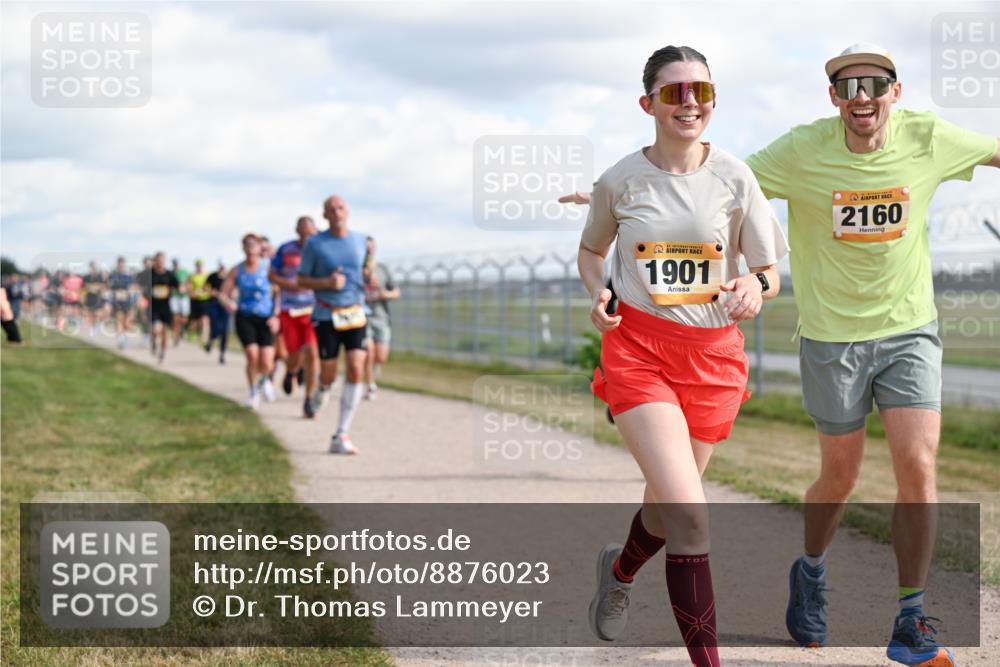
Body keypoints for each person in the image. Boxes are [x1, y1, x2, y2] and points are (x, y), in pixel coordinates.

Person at [743, 44, 999, 667]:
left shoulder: (927, 136)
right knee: (841, 477)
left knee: (918, 464)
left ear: (896, 91)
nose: (863, 97)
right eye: (848, 87)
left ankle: (911, 617)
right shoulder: (800, 150)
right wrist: (626, 194)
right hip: (832, 337)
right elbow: (722, 181)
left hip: (910, 329)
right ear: (833, 98)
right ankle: (811, 570)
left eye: (875, 85)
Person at [576, 46, 786, 667]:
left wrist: (755, 285)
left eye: (701, 89)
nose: (689, 101)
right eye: (674, 92)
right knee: (693, 517)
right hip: (638, 351)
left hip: (713, 357)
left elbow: (769, 270)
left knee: (668, 506)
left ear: (713, 99)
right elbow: (591, 254)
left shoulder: (735, 176)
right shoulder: (619, 181)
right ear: (649, 104)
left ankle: (618, 571)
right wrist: (599, 293)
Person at [297, 195, 370, 455]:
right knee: (328, 372)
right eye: (331, 210)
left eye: (340, 208)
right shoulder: (315, 244)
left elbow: (364, 272)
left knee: (355, 366)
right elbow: (302, 280)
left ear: (347, 211)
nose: (337, 213)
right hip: (327, 314)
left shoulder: (361, 241)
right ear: (325, 215)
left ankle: (341, 433)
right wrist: (326, 283)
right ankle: (323, 389)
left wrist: (368, 278)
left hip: (355, 312)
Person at [220, 234, 279, 409]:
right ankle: (253, 392)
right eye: (247, 244)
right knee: (252, 355)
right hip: (245, 316)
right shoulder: (237, 270)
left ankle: (265, 379)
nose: (250, 247)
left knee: (267, 361)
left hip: (266, 317)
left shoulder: (268, 267)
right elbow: (223, 294)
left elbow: (278, 293)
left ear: (260, 247)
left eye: (254, 244)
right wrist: (229, 303)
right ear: (243, 248)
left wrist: (275, 315)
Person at [270, 216, 321, 417]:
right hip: (289, 309)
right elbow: (271, 275)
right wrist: (288, 284)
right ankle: (291, 370)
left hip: (313, 309)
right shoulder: (286, 249)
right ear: (297, 231)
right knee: (293, 356)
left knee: (312, 352)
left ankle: (309, 400)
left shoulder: (320, 251)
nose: (307, 236)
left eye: (311, 232)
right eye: (303, 232)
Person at [361, 236, 399, 400]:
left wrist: (386, 294)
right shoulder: (356, 269)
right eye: (366, 247)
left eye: (371, 247)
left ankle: (373, 369)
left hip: (381, 317)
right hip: (362, 317)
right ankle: (370, 385)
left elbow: (397, 291)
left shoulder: (383, 269)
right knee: (368, 351)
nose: (369, 250)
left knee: (381, 356)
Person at [148, 252, 178, 364]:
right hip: (154, 306)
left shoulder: (170, 274)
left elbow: (178, 286)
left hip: (166, 306)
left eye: (162, 260)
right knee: (156, 329)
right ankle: (154, 341)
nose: (160, 262)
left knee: (165, 331)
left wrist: (180, 289)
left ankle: (162, 353)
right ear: (155, 261)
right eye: (158, 260)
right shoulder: (150, 273)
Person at [205, 260, 230, 364]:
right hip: (214, 303)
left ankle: (222, 354)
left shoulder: (229, 277)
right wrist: (211, 292)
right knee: (214, 327)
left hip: (225, 305)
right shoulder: (212, 276)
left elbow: (235, 289)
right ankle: (211, 340)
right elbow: (205, 287)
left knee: (224, 331)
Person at [108, 257, 136, 349]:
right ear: (117, 266)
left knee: (126, 322)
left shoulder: (129, 277)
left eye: (123, 265)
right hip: (117, 302)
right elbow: (109, 288)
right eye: (120, 265)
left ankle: (123, 337)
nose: (121, 267)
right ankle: (121, 340)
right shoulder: (113, 276)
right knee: (119, 320)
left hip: (127, 302)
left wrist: (129, 292)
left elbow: (132, 288)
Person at [188, 259, 213, 349]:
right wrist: (192, 293)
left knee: (205, 320)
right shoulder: (192, 276)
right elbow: (190, 288)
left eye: (201, 265)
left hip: (205, 300)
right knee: (196, 321)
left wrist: (205, 291)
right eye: (198, 265)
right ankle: (192, 333)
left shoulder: (207, 276)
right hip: (195, 301)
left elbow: (209, 288)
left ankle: (204, 339)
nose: (199, 267)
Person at [82, 261, 107, 338]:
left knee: (98, 313)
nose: (93, 268)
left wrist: (94, 287)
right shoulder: (87, 277)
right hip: (89, 298)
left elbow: (102, 286)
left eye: (94, 267)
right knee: (91, 314)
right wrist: (93, 287)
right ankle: (93, 328)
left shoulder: (99, 276)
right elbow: (85, 287)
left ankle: (97, 325)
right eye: (91, 267)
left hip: (97, 298)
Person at [169, 258, 190, 346]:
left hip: (184, 297)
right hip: (175, 297)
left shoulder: (185, 272)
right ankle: (175, 336)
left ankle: (182, 329)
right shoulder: (171, 273)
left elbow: (189, 282)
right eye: (174, 264)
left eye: (176, 263)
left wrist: (186, 289)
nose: (175, 265)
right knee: (175, 318)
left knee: (184, 318)